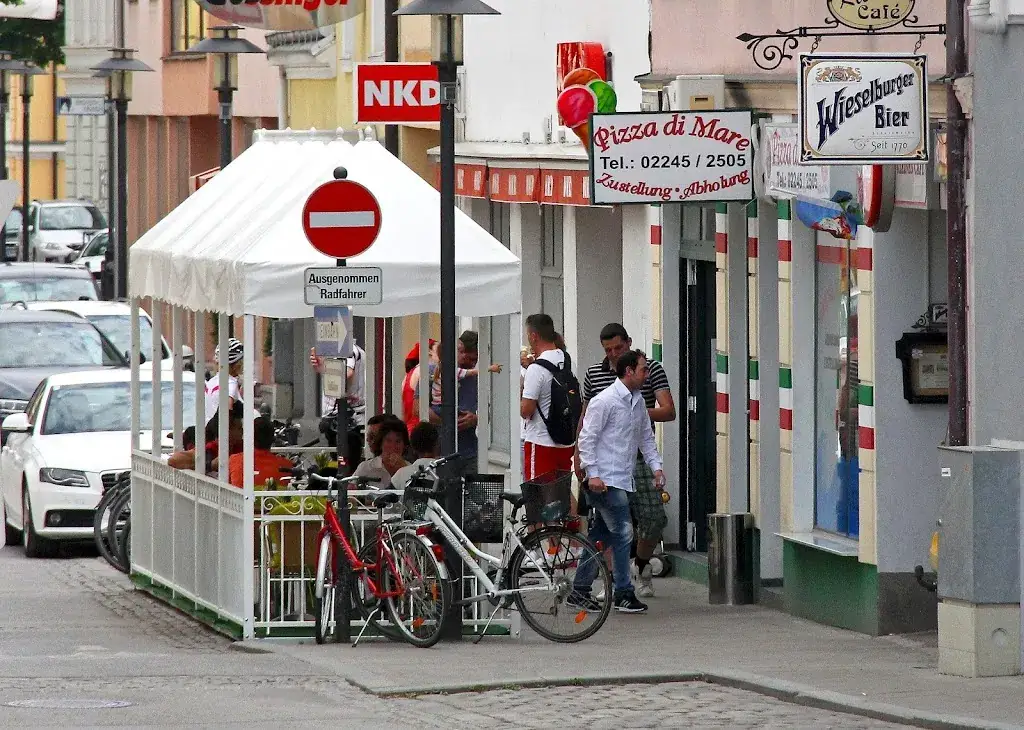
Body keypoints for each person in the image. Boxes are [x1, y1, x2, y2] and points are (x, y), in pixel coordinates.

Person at [575, 322, 676, 598]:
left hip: (638, 459)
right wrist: (581, 461)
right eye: (608, 349)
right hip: (605, 466)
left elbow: (667, 411)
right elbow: (587, 422)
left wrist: (635, 411)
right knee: (617, 529)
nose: (613, 354)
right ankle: (617, 588)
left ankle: (638, 568)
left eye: (618, 348)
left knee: (651, 519)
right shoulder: (595, 376)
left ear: (628, 344)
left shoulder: (648, 371)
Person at [520, 313, 576, 479]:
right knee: (560, 496)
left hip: (541, 442)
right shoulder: (565, 359)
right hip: (565, 442)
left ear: (534, 336)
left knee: (539, 498)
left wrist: (520, 391)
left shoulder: (536, 369)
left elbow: (526, 411)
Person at [168, 401, 244, 474]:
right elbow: (173, 460)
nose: (242, 431)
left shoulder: (242, 447)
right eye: (239, 428)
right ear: (227, 429)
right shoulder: (211, 449)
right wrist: (211, 466)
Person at [228, 416, 295, 489]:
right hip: (276, 500)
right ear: (273, 439)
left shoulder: (234, 460)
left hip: (240, 500)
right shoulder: (286, 466)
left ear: (250, 437)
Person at [353, 419, 410, 484]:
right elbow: (351, 490)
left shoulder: (410, 469)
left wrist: (404, 469)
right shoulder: (365, 467)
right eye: (388, 441)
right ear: (380, 443)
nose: (393, 446)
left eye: (398, 441)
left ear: (404, 445)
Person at [391, 422, 441, 489]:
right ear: (437, 444)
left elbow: (387, 497)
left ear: (413, 447)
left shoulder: (400, 475)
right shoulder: (448, 473)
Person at [204, 338, 244, 422]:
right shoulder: (230, 384)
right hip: (222, 433)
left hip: (208, 431)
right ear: (237, 364)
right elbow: (227, 412)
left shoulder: (211, 383)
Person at [401, 339, 436, 432]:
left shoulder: (408, 375)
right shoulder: (424, 372)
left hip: (408, 428)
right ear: (429, 352)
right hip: (421, 429)